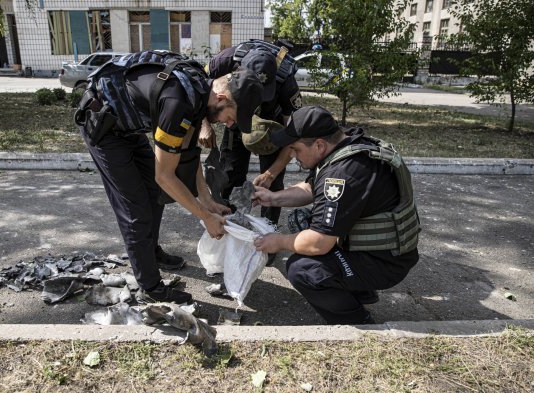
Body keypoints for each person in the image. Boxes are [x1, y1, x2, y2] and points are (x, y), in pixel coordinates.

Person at [78, 53, 264, 304]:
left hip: (127, 125)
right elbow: (165, 176)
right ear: (222, 97)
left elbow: (187, 153)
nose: (229, 124)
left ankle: (149, 253)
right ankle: (150, 289)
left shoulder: (199, 90)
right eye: (231, 117)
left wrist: (207, 200)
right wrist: (206, 217)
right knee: (136, 211)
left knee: (155, 197)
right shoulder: (178, 102)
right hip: (103, 126)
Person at [252, 106, 420, 324]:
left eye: (295, 149)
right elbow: (312, 188)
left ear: (319, 145)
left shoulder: (342, 174)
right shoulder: (348, 146)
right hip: (387, 249)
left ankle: (357, 321)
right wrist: (273, 197)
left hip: (384, 262)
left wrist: (278, 242)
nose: (292, 155)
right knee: (302, 221)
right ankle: (360, 291)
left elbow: (318, 244)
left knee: (303, 270)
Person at [199, 40, 303, 227]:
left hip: (271, 125)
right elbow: (196, 90)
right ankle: (229, 225)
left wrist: (270, 174)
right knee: (229, 174)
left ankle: (269, 230)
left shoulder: (286, 81)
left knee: (272, 184)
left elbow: (293, 134)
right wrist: (204, 124)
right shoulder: (225, 61)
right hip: (234, 120)